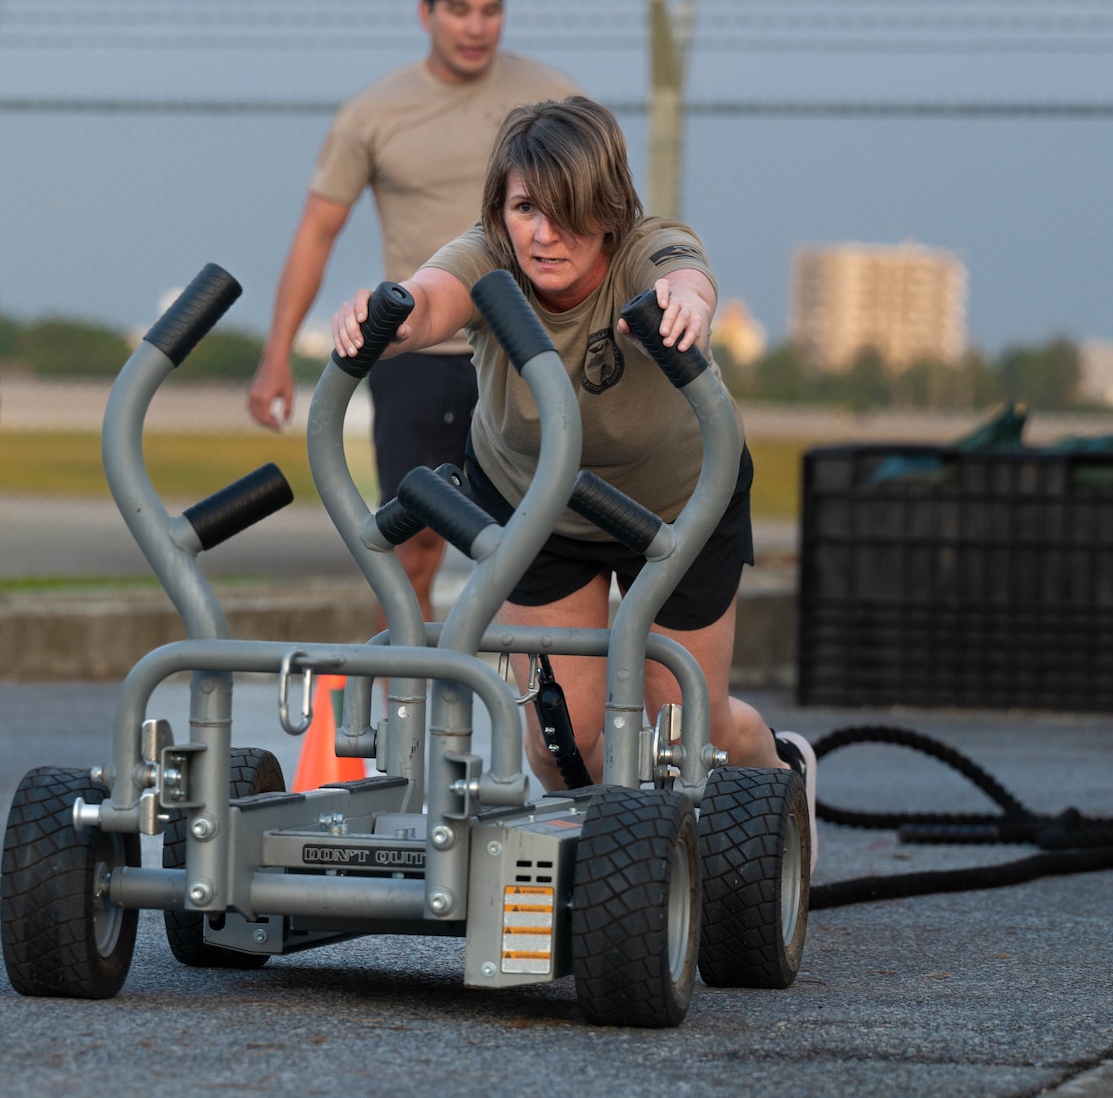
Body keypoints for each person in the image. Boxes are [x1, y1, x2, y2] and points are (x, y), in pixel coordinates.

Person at [331, 96, 813, 792]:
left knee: (687, 731)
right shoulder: (488, 255)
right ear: (500, 209)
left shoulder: (647, 245)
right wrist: (390, 315)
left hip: (677, 504)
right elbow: (431, 295)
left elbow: (685, 277)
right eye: (526, 208)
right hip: (541, 506)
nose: (544, 235)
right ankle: (590, 878)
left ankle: (784, 775)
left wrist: (686, 307)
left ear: (611, 207)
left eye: (569, 209)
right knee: (562, 743)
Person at [248, 0, 580, 618]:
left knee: (547, 547)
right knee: (412, 546)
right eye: (459, 9)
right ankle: (411, 712)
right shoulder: (374, 113)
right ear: (426, 12)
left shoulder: (554, 101)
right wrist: (276, 355)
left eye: (490, 10)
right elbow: (316, 234)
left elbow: (605, 223)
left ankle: (543, 717)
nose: (476, 27)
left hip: (532, 350)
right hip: (419, 353)